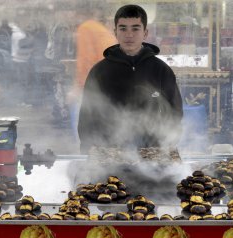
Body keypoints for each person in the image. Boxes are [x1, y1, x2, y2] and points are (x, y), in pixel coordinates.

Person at [77, 5, 183, 154]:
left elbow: (175, 112)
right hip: (109, 154)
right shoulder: (99, 71)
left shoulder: (161, 70)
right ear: (115, 32)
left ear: (145, 33)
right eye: (123, 28)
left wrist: (167, 146)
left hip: (151, 153)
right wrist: (87, 151)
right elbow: (87, 116)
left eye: (135, 28)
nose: (129, 35)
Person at [69, 3, 117, 139]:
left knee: (91, 131)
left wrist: (78, 89)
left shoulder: (85, 28)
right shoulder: (99, 29)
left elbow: (86, 61)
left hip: (99, 84)